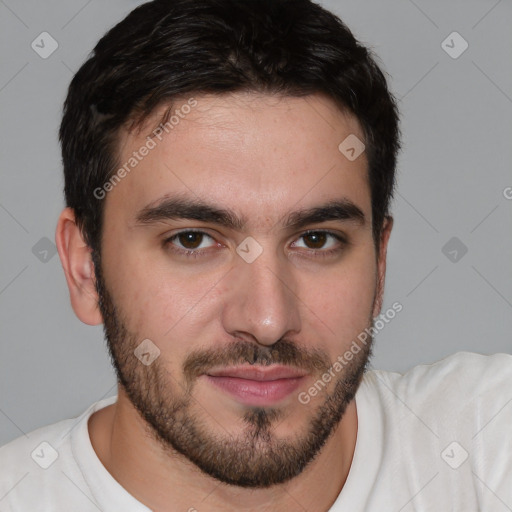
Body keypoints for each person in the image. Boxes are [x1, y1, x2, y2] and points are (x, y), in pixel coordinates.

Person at [1, 0, 510, 510]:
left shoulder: (487, 444)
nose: (267, 320)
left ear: (378, 265)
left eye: (316, 239)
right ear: (85, 268)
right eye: (193, 240)